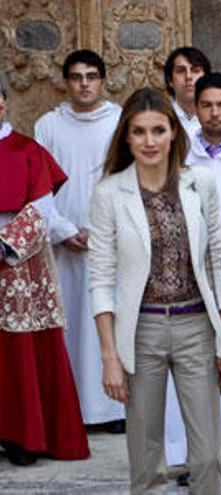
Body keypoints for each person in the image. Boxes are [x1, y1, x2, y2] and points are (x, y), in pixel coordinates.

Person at [88, 87, 221, 493]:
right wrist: (109, 356)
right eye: (139, 132)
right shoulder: (109, 193)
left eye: (158, 130)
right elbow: (100, 277)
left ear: (174, 133)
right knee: (146, 458)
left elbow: (216, 260)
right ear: (127, 138)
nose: (149, 141)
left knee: (207, 454)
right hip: (141, 332)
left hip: (196, 329)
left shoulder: (199, 183)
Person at [0, 72, 90, 466]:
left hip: (18, 263)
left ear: (3, 100)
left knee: (22, 353)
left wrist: (5, 243)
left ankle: (24, 436)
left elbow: (41, 207)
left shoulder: (27, 150)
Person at [33, 49, 125, 434]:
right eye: (76, 76)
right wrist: (64, 230)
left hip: (110, 241)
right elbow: (38, 189)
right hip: (63, 243)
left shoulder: (120, 121)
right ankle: (72, 411)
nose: (84, 83)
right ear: (65, 82)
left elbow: (127, 176)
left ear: (103, 80)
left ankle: (113, 408)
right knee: (71, 324)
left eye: (91, 76)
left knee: (108, 322)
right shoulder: (49, 126)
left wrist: (107, 230)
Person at [165, 72, 221, 486]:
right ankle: (207, 455)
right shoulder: (180, 154)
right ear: (195, 108)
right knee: (200, 363)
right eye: (206, 105)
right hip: (195, 269)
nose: (214, 113)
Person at [164, 46, 211, 139]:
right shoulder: (159, 118)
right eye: (181, 71)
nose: (188, 76)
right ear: (170, 81)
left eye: (195, 71)